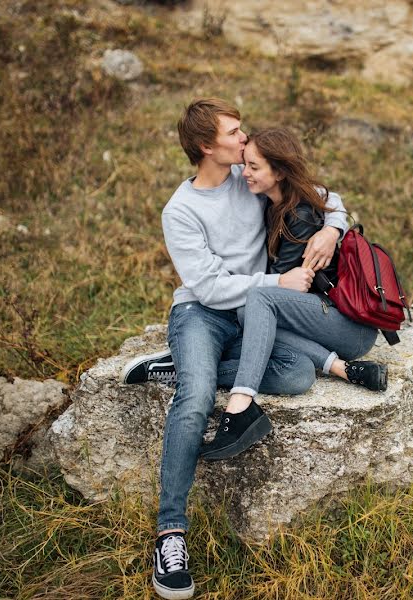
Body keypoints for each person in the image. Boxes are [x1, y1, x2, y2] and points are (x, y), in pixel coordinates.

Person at [145, 98, 348, 600]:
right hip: (204, 313)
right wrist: (276, 281)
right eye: (234, 133)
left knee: (299, 375)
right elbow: (211, 288)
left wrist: (330, 228)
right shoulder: (182, 210)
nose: (244, 139)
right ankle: (171, 535)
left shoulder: (250, 178)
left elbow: (329, 196)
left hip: (254, 314)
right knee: (193, 400)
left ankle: (188, 368)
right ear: (204, 146)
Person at [199, 127, 388, 461]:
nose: (246, 173)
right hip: (323, 326)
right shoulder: (274, 203)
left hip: (348, 327)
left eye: (255, 167)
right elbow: (329, 197)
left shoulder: (298, 215)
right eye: (246, 164)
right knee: (287, 359)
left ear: (280, 171)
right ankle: (342, 370)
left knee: (256, 305)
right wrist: (333, 226)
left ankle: (240, 405)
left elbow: (284, 286)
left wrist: (330, 229)